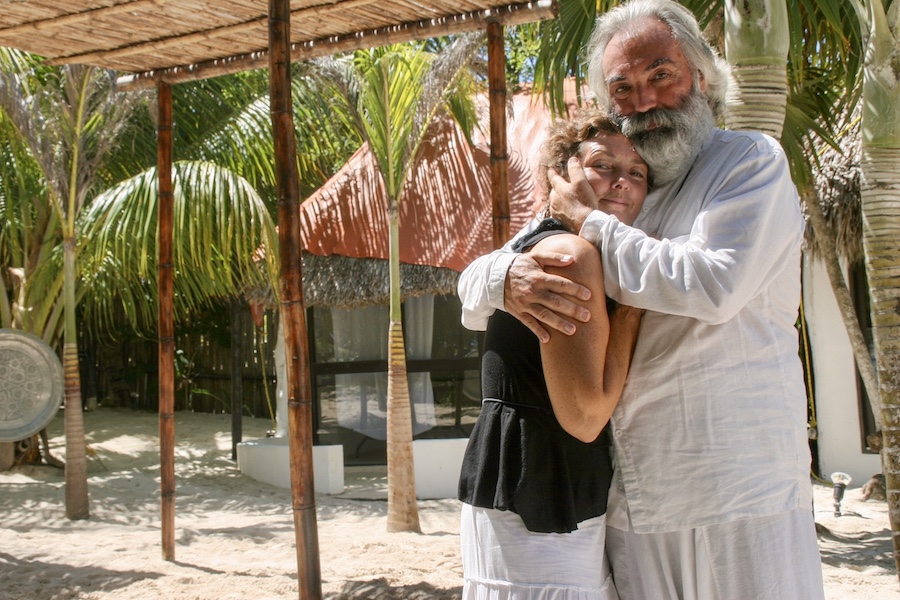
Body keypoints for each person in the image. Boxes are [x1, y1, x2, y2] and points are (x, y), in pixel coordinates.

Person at [457, 1, 826, 598]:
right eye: (622, 88)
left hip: (741, 490)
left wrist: (590, 223)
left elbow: (713, 285)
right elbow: (481, 289)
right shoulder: (624, 188)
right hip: (634, 502)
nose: (645, 100)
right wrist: (504, 275)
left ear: (701, 77)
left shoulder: (747, 162)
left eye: (661, 74)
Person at [458, 108, 647, 599]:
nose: (622, 181)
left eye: (638, 172)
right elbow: (584, 417)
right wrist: (632, 310)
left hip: (522, 489)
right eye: (603, 165)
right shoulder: (570, 256)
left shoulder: (542, 245)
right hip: (543, 496)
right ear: (559, 175)